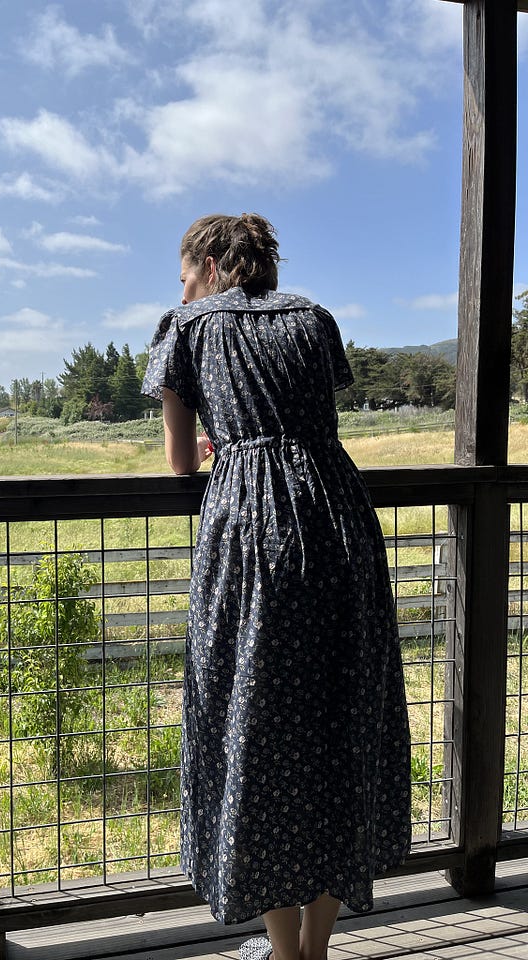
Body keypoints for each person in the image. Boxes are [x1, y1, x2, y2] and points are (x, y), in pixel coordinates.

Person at [141, 214, 412, 960]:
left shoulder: (188, 326)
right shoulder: (315, 317)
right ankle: (317, 948)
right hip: (339, 520)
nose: (182, 285)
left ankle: (282, 950)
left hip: (252, 533)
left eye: (184, 271)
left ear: (207, 263)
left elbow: (178, 467)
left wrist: (220, 442)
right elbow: (312, 421)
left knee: (253, 722)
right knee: (339, 718)